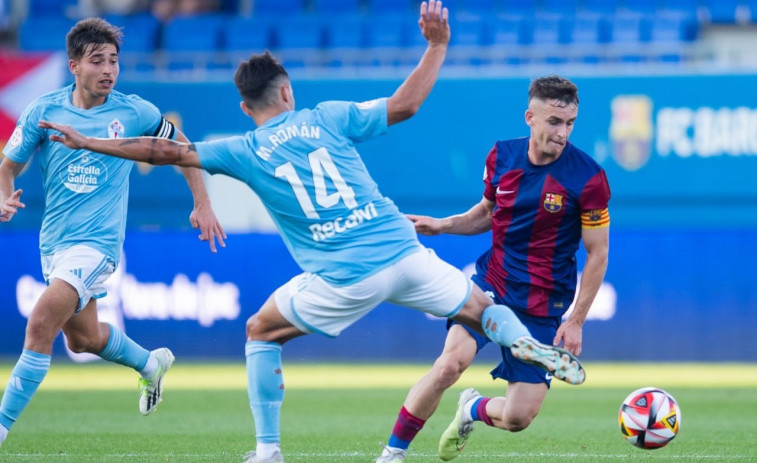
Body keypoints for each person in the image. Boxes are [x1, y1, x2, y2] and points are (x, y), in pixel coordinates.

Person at [38, 4, 586, 462]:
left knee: (260, 330)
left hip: (346, 274)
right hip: (402, 248)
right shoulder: (327, 116)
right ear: (287, 93)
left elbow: (163, 149)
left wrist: (90, 142)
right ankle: (520, 341)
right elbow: (407, 105)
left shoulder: (242, 148)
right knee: (481, 307)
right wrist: (437, 46)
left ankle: (268, 450)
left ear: (244, 106)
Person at [0, 17, 224, 448]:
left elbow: (181, 149)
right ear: (73, 66)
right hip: (56, 243)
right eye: (97, 60)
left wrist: (202, 201)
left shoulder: (133, 111)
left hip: (98, 245)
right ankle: (149, 363)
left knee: (41, 322)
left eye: (114, 61)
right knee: (83, 338)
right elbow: (7, 168)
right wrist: (4, 196)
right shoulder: (43, 111)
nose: (108, 70)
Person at [377, 76, 611, 462]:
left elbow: (598, 253)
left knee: (519, 417)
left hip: (542, 305)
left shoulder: (588, 178)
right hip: (491, 288)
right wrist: (444, 224)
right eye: (554, 121)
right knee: (448, 365)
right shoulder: (501, 157)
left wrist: (577, 320)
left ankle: (471, 409)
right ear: (530, 117)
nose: (563, 132)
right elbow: (486, 213)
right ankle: (391, 455)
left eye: (570, 123)